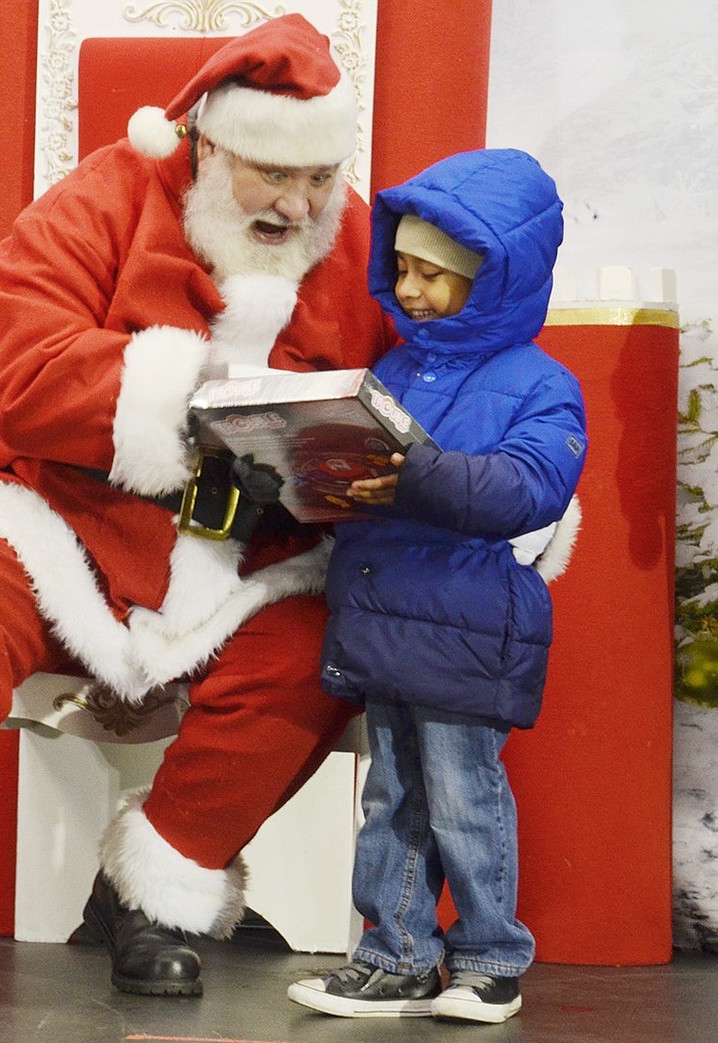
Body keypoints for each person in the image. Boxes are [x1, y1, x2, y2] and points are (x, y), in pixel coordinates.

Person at [0, 14, 396, 1028]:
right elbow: (22, 378)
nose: (299, 202)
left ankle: (154, 894)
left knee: (328, 648)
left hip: (253, 558)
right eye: (271, 175)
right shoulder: (100, 198)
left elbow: (415, 392)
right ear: (206, 146)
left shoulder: (358, 239)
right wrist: (191, 395)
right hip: (61, 517)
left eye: (320, 178)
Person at [286, 148, 587, 1024]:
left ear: (493, 279)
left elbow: (529, 487)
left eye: (434, 275)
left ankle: (492, 957)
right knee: (393, 795)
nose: (410, 290)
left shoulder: (542, 385)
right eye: (404, 269)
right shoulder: (398, 371)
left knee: (464, 794)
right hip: (386, 617)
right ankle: (397, 954)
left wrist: (417, 474)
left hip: (468, 624)